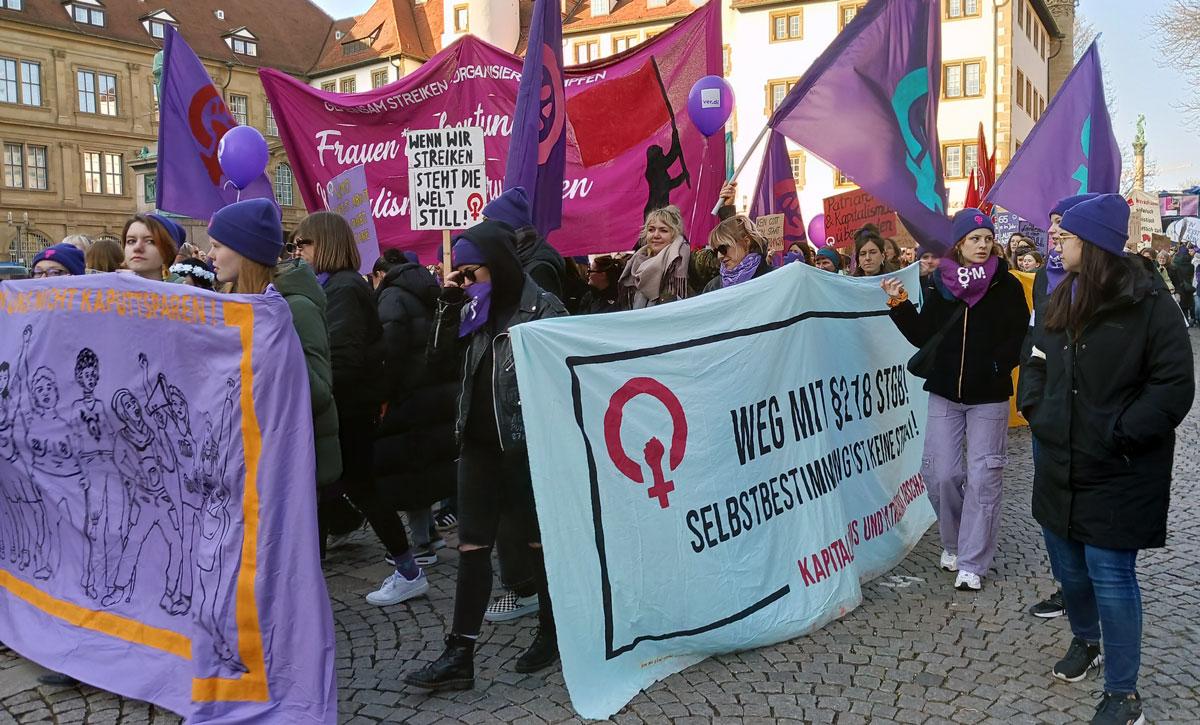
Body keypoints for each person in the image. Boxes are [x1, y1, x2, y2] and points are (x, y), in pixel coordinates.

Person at [1019, 194, 1194, 725]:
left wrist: (1119, 433)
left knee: (1109, 571)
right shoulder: (1059, 293)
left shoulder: (1148, 302)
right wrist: (1040, 413)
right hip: (1059, 459)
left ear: (1091, 244)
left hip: (1120, 467)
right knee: (1069, 569)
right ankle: (1086, 639)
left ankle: (1124, 693)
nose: (1056, 241)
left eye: (1066, 236)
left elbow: (1173, 384)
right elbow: (1035, 360)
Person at [406, 221, 568, 692]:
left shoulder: (541, 310)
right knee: (472, 546)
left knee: (537, 543)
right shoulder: (473, 308)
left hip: (524, 446)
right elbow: (435, 363)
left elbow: (562, 382)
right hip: (477, 446)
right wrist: (448, 303)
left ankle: (552, 633)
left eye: (470, 271)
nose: (465, 280)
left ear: (496, 265)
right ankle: (460, 654)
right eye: (459, 272)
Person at [881, 208, 1029, 591]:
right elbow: (923, 335)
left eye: (987, 238)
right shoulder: (940, 285)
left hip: (989, 396)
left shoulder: (1007, 285)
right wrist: (899, 305)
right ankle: (955, 542)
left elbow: (1017, 338)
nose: (982, 245)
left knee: (984, 476)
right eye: (974, 239)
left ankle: (973, 562)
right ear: (960, 244)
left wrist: (998, 366)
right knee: (941, 474)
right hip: (946, 391)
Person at [293, 211, 424, 606]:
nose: (298, 251)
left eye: (305, 244)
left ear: (327, 244)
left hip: (346, 408)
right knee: (334, 490)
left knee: (356, 488)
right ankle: (401, 568)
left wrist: (313, 386)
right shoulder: (331, 286)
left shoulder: (344, 288)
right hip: (343, 405)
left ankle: (407, 569)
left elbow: (341, 356)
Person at [206, 199, 342, 487]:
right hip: (248, 461)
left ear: (245, 251)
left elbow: (319, 393)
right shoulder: (229, 304)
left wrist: (277, 338)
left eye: (218, 246)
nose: (210, 255)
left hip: (294, 467)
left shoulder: (296, 307)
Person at [1023, 192, 1097, 620]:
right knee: (1052, 515)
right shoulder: (1045, 282)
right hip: (1049, 418)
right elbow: (1035, 344)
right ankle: (1068, 589)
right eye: (1051, 223)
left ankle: (1093, 594)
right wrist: (1034, 404)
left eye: (1059, 224)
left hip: (1092, 423)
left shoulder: (1114, 288)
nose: (1050, 231)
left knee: (1087, 515)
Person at [372, 251, 457, 567]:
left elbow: (389, 352)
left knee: (409, 470)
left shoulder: (392, 297)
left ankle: (422, 544)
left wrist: (382, 393)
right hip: (432, 390)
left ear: (381, 273)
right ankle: (430, 534)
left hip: (406, 394)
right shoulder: (427, 288)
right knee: (422, 465)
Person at [482, 187, 567, 302]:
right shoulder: (517, 258)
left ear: (506, 225)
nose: (484, 229)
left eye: (487, 222)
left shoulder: (539, 268)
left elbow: (545, 315)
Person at [618, 205, 692, 309]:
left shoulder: (685, 259)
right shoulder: (635, 262)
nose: (656, 235)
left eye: (663, 230)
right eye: (651, 230)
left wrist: (723, 209)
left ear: (675, 234)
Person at [703, 216, 771, 293]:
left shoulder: (773, 278)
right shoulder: (712, 287)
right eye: (715, 251)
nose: (719, 256)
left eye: (723, 248)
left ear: (746, 242)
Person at [122, 214, 180, 281]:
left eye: (150, 241)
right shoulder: (108, 288)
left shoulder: (181, 291)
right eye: (131, 241)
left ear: (168, 251)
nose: (137, 248)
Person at [1169, 245, 1196, 326]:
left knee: (1176, 310)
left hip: (1178, 289)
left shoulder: (1174, 264)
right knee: (1184, 310)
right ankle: (1186, 327)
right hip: (1187, 290)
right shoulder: (1191, 266)